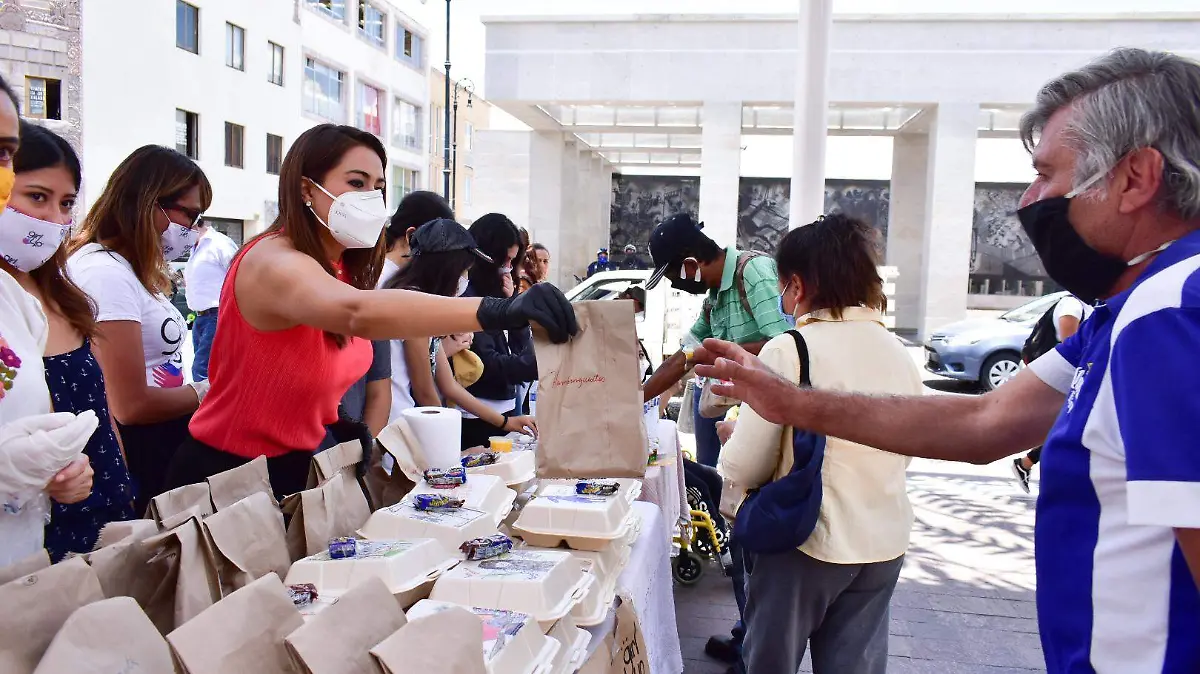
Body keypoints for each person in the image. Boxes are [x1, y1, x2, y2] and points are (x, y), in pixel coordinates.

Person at [693, 48, 1200, 674]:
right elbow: (984, 424)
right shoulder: (1121, 316)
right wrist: (792, 402)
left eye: (1047, 174)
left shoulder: (1172, 312)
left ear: (1137, 178)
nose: (1028, 198)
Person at [164, 125, 574, 500]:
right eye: (356, 183)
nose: (371, 198)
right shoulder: (272, 260)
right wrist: (499, 310)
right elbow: (358, 313)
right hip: (229, 476)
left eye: (378, 186)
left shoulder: (340, 268)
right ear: (306, 189)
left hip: (302, 469)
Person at [718, 214, 922, 674]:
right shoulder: (897, 351)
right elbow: (905, 445)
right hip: (883, 540)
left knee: (770, 661)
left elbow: (745, 465)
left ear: (796, 284)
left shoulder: (791, 348)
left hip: (806, 540)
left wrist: (733, 439)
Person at [640, 212, 790, 669]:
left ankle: (756, 651)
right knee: (741, 529)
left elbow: (787, 343)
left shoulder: (753, 273)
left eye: (674, 276)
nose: (675, 286)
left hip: (771, 425)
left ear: (691, 263)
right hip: (744, 423)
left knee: (755, 538)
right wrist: (636, 399)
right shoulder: (715, 300)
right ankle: (748, 634)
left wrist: (726, 358)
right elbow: (685, 355)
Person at [1, 121, 134, 560]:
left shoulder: (64, 295)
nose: (54, 218)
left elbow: (100, 407)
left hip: (104, 507)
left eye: (66, 203)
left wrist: (123, 483)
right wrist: (39, 479)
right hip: (37, 531)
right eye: (37, 197)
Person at [67, 145, 209, 514]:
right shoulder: (105, 273)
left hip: (159, 439)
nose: (191, 231)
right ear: (148, 202)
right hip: (135, 447)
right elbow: (129, 405)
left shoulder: (129, 269)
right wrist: (209, 390)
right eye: (188, 216)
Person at [0, 75, 95, 564]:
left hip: (22, 563)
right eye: (36, 196)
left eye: (2, 154)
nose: (53, 220)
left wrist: (63, 473)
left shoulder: (18, 301)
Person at [382, 218, 536, 437]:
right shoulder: (415, 305)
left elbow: (448, 385)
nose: (465, 279)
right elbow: (425, 390)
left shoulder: (426, 305)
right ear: (447, 268)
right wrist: (449, 444)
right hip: (398, 426)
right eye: (464, 271)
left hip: (412, 422)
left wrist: (505, 423)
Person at [461, 213, 539, 449]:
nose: (507, 269)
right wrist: (536, 366)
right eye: (503, 261)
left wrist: (512, 308)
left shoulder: (498, 291)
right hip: (476, 414)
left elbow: (520, 348)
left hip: (505, 406)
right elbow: (487, 364)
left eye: (512, 262)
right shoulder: (467, 296)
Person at [1011, 292, 1092, 493]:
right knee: (1067, 427)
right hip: (1060, 379)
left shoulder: (1085, 306)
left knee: (1065, 427)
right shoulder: (1072, 305)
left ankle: (1026, 463)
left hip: (1069, 379)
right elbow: (1071, 345)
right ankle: (1032, 466)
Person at [183, 220, 238, 381]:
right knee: (209, 370)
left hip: (217, 314)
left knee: (201, 369)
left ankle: (206, 406)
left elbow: (238, 275)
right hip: (200, 317)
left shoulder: (219, 243)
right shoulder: (196, 247)